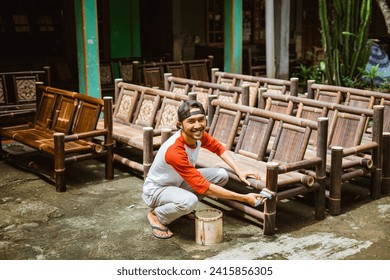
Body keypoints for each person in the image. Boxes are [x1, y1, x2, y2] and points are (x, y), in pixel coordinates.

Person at [142, 100, 266, 239]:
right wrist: (244, 198)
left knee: (221, 175)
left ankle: (178, 208)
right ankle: (157, 215)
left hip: (178, 183)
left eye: (201, 120)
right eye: (191, 121)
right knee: (189, 202)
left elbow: (218, 148)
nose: (197, 125)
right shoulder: (175, 150)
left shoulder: (198, 135)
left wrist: (239, 170)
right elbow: (204, 187)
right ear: (180, 125)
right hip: (156, 191)